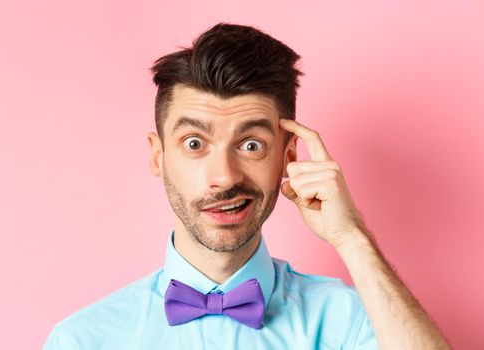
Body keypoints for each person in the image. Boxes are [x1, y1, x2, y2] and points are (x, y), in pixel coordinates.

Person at [42, 22, 451, 349]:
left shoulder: (352, 321)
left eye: (251, 144)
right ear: (158, 156)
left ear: (287, 158)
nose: (225, 176)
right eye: (195, 143)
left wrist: (352, 239)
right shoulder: (83, 340)